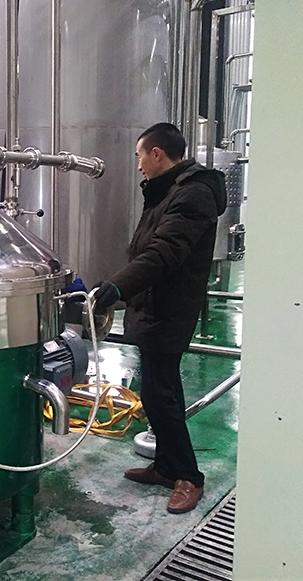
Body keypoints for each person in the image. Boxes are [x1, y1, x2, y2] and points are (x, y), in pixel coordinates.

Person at [93, 123, 226, 515]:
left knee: (161, 394)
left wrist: (118, 287)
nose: (138, 166)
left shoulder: (193, 194)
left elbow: (164, 253)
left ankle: (188, 476)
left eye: (140, 156)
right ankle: (167, 467)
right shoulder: (168, 190)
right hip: (153, 305)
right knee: (157, 392)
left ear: (156, 153)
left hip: (169, 308)